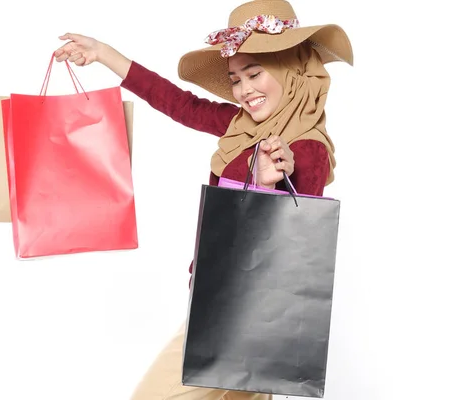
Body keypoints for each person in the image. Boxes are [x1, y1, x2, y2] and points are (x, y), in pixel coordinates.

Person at [54, 0, 353, 398]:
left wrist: (268, 183)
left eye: (255, 72)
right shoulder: (239, 126)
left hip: (246, 311)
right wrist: (104, 53)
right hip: (218, 292)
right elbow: (179, 104)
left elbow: (293, 247)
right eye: (235, 78)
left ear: (290, 67)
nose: (245, 90)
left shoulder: (306, 148)